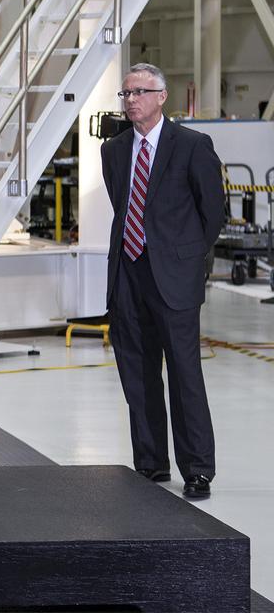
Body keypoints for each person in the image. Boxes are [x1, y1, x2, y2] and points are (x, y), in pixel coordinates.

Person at [101, 62, 224, 499]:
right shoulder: (114, 151)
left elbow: (214, 213)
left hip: (174, 278)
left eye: (139, 92)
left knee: (185, 373)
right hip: (128, 274)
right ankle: (151, 464)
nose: (130, 100)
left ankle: (197, 469)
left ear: (161, 97)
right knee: (137, 372)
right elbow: (122, 206)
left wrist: (187, 259)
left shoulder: (191, 146)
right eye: (126, 93)